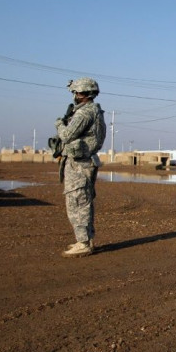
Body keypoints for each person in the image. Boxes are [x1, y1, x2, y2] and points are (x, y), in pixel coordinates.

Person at [55, 77, 106, 258]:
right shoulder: (94, 110)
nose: (76, 95)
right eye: (76, 92)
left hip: (80, 164)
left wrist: (60, 124)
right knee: (83, 201)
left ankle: (83, 242)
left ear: (88, 94)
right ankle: (85, 239)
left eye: (80, 93)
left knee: (77, 202)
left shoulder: (85, 113)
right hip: (84, 162)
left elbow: (67, 135)